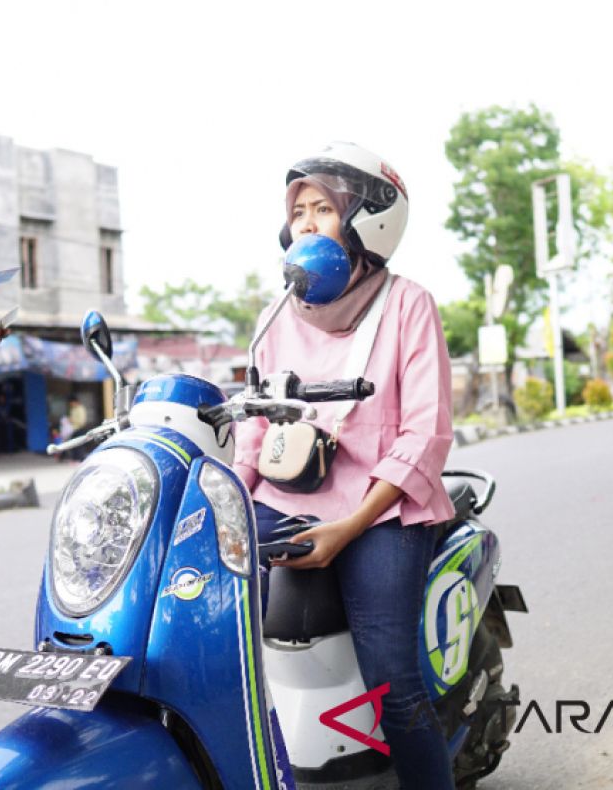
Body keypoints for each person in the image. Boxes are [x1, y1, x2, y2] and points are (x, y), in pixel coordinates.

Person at [232, 142, 457, 789]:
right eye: (297, 209)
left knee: (394, 679)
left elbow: (426, 433)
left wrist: (352, 525)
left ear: (366, 219)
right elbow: (253, 429)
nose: (303, 221)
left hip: (380, 511)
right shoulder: (277, 313)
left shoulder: (408, 304)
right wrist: (230, 507)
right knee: (224, 644)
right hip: (288, 502)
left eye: (322, 207)